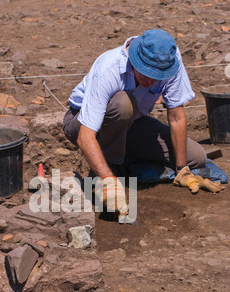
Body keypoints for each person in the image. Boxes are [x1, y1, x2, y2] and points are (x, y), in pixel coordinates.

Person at [63, 29, 224, 219]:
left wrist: (182, 170)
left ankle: (124, 158)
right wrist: (108, 180)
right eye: (147, 74)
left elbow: (176, 116)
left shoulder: (170, 61)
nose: (151, 81)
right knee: (123, 104)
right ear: (134, 59)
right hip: (82, 124)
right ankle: (110, 170)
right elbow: (85, 136)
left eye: (157, 76)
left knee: (197, 156)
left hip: (132, 124)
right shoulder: (109, 68)